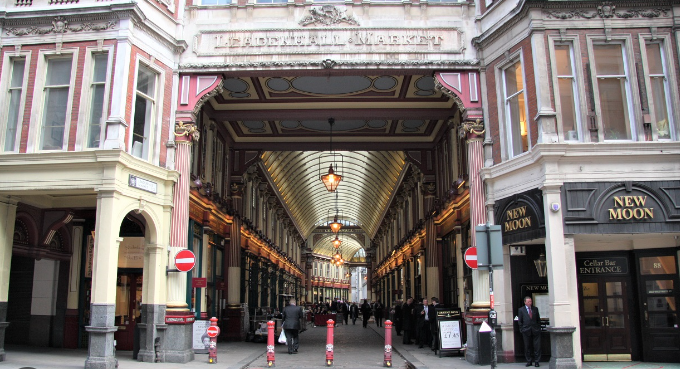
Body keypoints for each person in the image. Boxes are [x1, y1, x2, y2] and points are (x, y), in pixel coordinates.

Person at [517, 296, 541, 367]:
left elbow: (538, 320)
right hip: (526, 330)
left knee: (537, 346)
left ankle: (537, 361)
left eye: (530, 301)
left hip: (535, 330)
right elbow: (520, 321)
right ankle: (529, 361)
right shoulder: (521, 310)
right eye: (528, 302)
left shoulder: (535, 309)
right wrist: (522, 329)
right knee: (527, 346)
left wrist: (538, 328)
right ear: (525, 302)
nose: (530, 303)